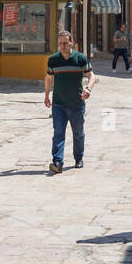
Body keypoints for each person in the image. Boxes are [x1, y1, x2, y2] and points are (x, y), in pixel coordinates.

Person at [44, 30, 95, 173]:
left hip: (77, 104)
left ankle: (79, 158)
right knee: (58, 133)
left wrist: (88, 89)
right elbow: (49, 78)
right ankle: (57, 162)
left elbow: (92, 76)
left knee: (78, 133)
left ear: (71, 42)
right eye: (60, 44)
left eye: (65, 43)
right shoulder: (53, 60)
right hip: (58, 104)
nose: (63, 46)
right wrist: (47, 95)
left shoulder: (80, 59)